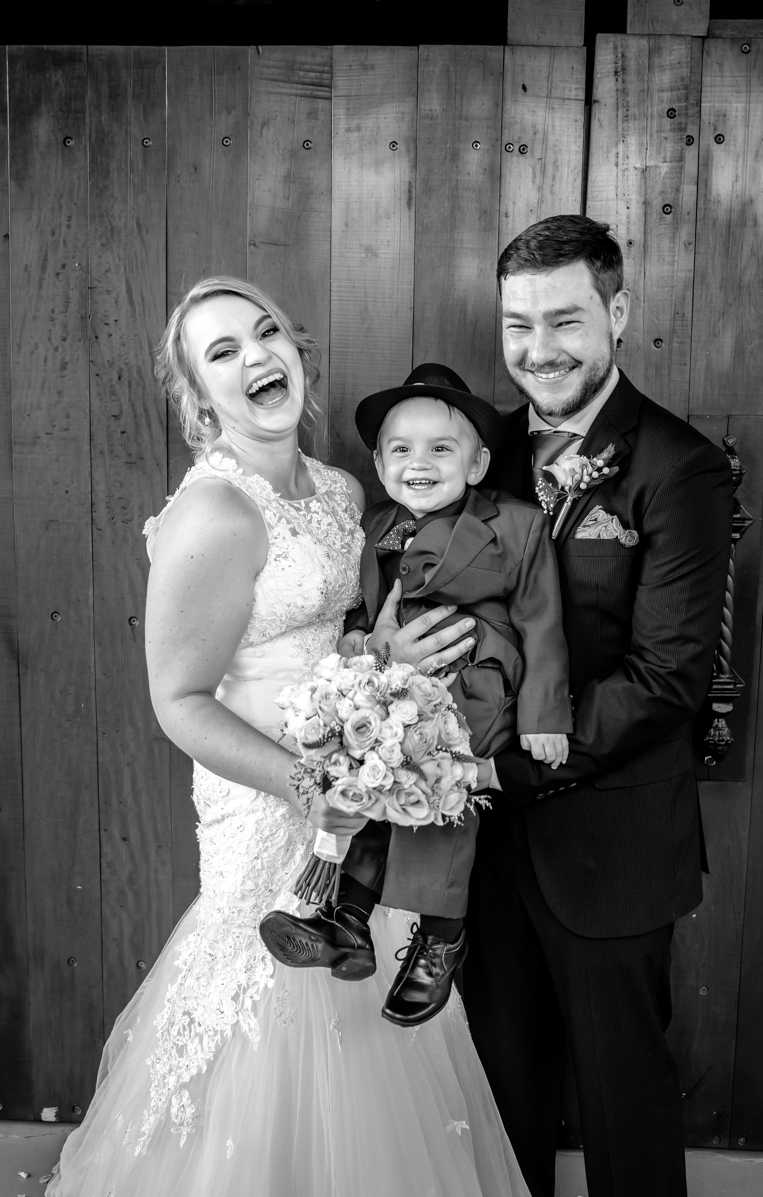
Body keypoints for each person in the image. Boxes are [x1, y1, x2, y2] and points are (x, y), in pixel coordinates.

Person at [46, 277, 531, 1197]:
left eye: (265, 332)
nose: (255, 356)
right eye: (222, 352)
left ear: (298, 354)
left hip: (356, 787)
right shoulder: (212, 514)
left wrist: (380, 661)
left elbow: (330, 643)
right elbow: (180, 700)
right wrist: (309, 788)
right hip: (270, 800)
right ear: (200, 397)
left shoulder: (341, 491)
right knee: (266, 1010)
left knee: (362, 992)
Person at [460, 214, 734, 1197]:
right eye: (517, 324)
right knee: (499, 1111)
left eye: (565, 321)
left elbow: (666, 678)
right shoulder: (479, 451)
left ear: (616, 314)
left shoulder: (678, 467)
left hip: (610, 849)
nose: (538, 350)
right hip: (484, 852)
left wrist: (504, 764)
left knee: (624, 1117)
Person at [261, 363, 572, 1030]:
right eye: (401, 449)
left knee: (441, 805)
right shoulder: (376, 526)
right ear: (378, 464)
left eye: (441, 448)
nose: (419, 463)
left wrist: (543, 716)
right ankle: (347, 921)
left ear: (478, 463)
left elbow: (542, 621)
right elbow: (360, 609)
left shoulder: (516, 525)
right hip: (391, 689)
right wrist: (358, 645)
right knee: (371, 789)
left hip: (474, 695)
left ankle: (440, 938)